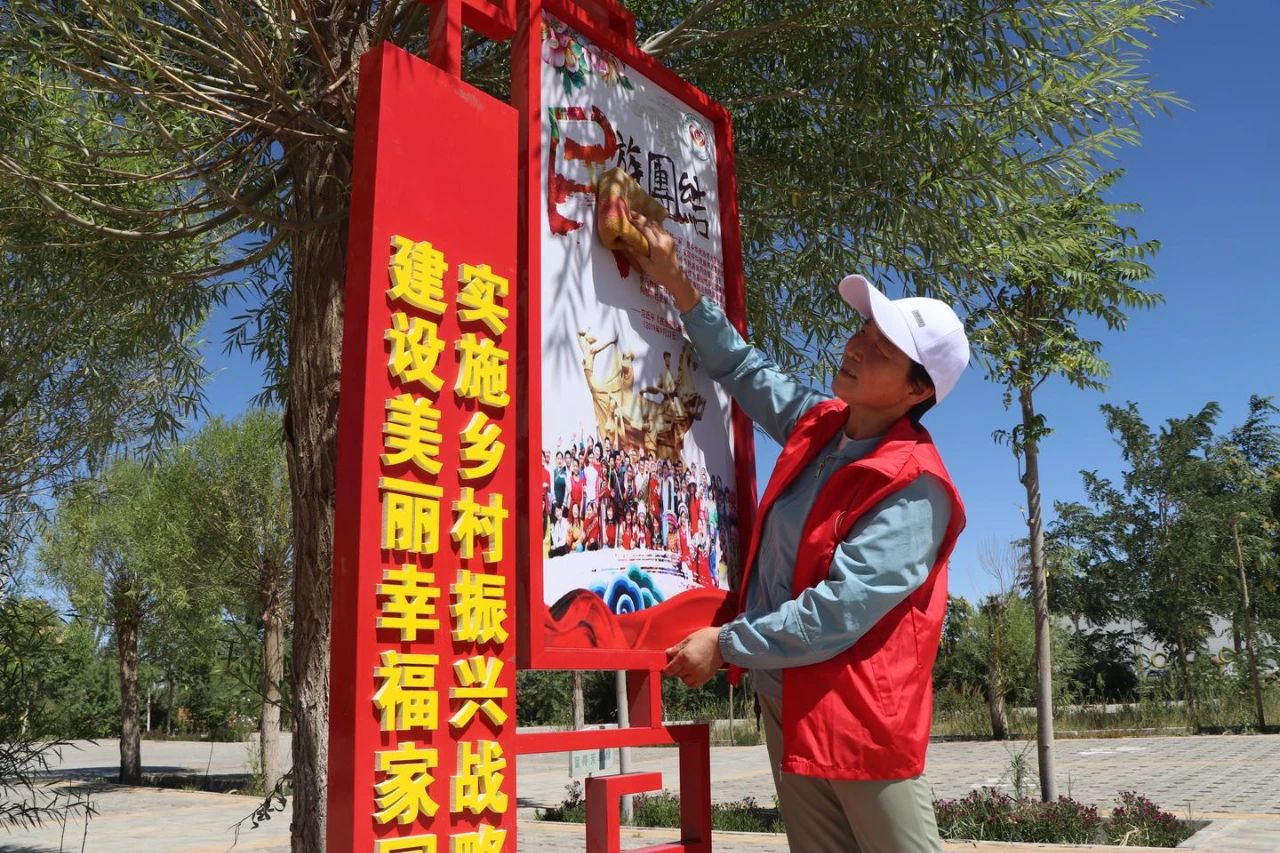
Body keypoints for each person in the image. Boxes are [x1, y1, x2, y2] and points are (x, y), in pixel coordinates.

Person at [623, 211, 969, 853]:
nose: (856, 347)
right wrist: (677, 284)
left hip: (858, 715)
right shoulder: (821, 425)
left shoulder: (915, 486)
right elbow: (743, 369)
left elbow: (839, 611)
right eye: (863, 331)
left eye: (882, 350)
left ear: (917, 390)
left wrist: (726, 644)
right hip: (786, 692)